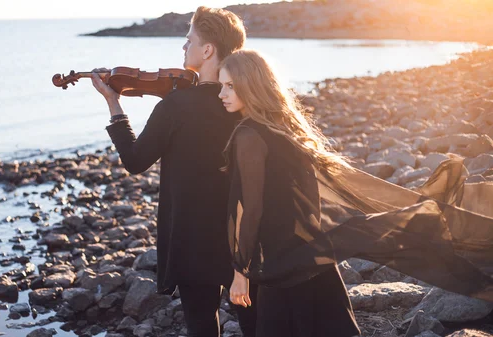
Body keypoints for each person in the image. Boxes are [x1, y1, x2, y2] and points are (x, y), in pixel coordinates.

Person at [90, 7, 256, 337]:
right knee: (256, 321)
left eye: (189, 40)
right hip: (244, 231)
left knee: (201, 323)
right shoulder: (248, 102)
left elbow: (135, 161)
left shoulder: (176, 106)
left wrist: (113, 103)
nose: (183, 48)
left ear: (207, 50)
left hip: (192, 234)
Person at [218, 49, 361, 337]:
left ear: (251, 84)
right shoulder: (284, 128)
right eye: (221, 85)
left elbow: (252, 208)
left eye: (230, 86)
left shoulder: (248, 135)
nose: (221, 94)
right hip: (311, 253)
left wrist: (240, 272)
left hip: (281, 264)